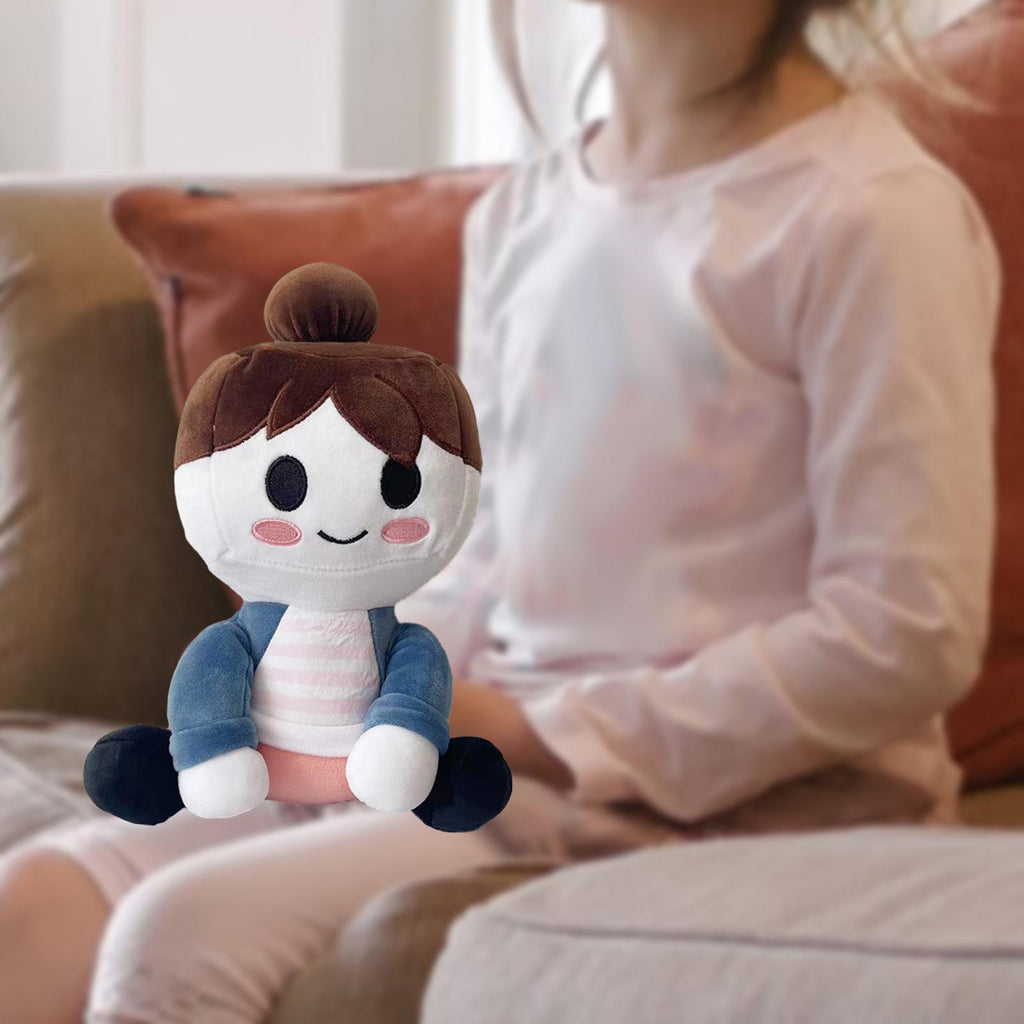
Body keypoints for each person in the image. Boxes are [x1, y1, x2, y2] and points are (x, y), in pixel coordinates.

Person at [0, 1, 1000, 1021]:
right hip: (493, 756)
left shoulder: (874, 213)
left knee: (177, 932)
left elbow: (904, 631)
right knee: (35, 900)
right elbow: (483, 556)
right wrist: (368, 675)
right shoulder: (526, 212)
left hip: (730, 805)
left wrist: (538, 732)